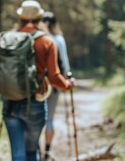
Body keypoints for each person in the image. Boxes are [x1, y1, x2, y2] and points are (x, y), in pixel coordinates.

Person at [2, 0, 74, 161]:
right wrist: (68, 85)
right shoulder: (47, 41)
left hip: (10, 101)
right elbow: (54, 77)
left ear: (20, 17)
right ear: (39, 18)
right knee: (31, 151)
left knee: (17, 153)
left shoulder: (8, 38)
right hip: (35, 102)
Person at [42, 11, 71, 161]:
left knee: (37, 117)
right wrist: (66, 82)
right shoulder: (58, 40)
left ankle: (34, 151)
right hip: (54, 84)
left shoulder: (39, 38)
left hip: (39, 84)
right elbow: (64, 65)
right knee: (49, 118)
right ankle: (46, 151)